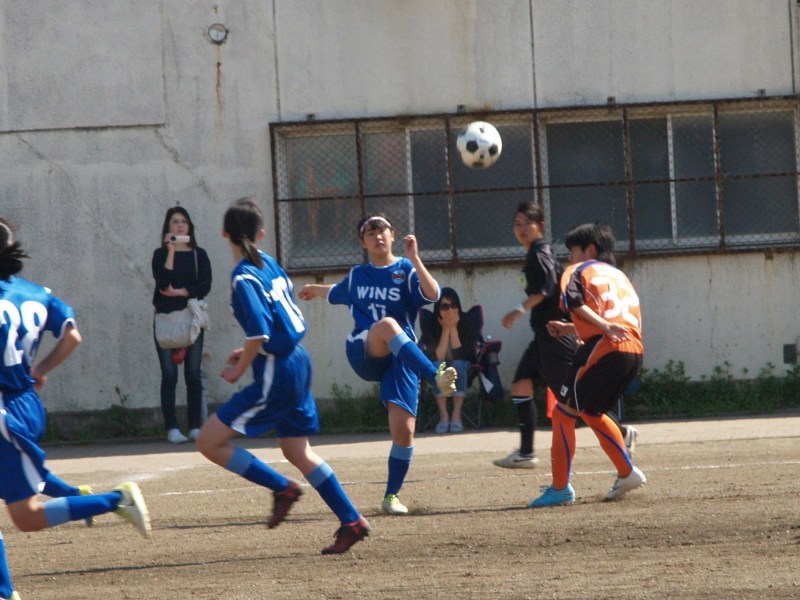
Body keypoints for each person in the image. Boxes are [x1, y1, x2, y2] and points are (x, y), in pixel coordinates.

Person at [195, 198, 369, 554]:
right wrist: (247, 352)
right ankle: (352, 521)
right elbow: (274, 323)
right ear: (260, 233)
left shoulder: (242, 276)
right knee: (296, 449)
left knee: (208, 441)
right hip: (297, 360)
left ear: (224, 233)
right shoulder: (269, 263)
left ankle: (282, 488)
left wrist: (238, 368)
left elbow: (260, 332)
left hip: (277, 370)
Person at [0, 217, 150, 600]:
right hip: (24, 403)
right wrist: (41, 370)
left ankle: (117, 499)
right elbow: (73, 334)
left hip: (5, 412)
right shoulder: (36, 293)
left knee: (27, 517)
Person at [299, 214, 457, 515]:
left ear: (392, 235)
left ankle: (391, 496)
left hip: (402, 355)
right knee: (386, 324)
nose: (377, 236)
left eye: (381, 230)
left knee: (404, 433)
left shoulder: (405, 269)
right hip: (364, 349)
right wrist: (313, 288)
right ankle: (434, 374)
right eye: (369, 233)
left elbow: (434, 294)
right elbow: (337, 292)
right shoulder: (359, 274)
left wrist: (415, 258)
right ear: (363, 242)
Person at [530, 223, 646, 508]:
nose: (569, 258)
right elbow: (615, 317)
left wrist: (603, 327)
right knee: (591, 411)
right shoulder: (620, 276)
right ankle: (626, 472)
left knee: (562, 413)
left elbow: (575, 300)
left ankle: (560, 488)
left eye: (572, 251)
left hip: (604, 347)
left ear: (589, 250)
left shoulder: (579, 270)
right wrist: (571, 329)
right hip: (632, 350)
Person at [495, 202, 577, 469]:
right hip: (542, 335)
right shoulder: (540, 252)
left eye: (526, 223)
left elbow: (545, 289)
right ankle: (526, 453)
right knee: (520, 384)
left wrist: (516, 312)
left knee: (575, 395)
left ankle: (622, 433)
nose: (521, 229)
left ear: (540, 226)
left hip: (555, 334)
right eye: (517, 224)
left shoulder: (538, 254)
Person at [152, 206, 212, 444]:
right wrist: (171, 250)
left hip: (191, 320)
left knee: (192, 373)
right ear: (168, 226)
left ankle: (195, 425)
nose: (179, 226)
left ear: (190, 227)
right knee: (169, 374)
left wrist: (181, 291)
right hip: (166, 320)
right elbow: (161, 281)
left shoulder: (200, 254)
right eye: (175, 222)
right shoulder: (160, 254)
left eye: (184, 222)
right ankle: (172, 428)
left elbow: (205, 285)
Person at [419, 288, 481, 433]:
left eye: (454, 306)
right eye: (445, 306)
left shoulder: (466, 322)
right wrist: (446, 329)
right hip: (439, 366)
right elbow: (438, 356)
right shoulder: (431, 324)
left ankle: (456, 415)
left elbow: (461, 355)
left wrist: (453, 328)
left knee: (458, 364)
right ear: (438, 309)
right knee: (439, 366)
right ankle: (444, 415)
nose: (450, 310)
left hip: (464, 366)